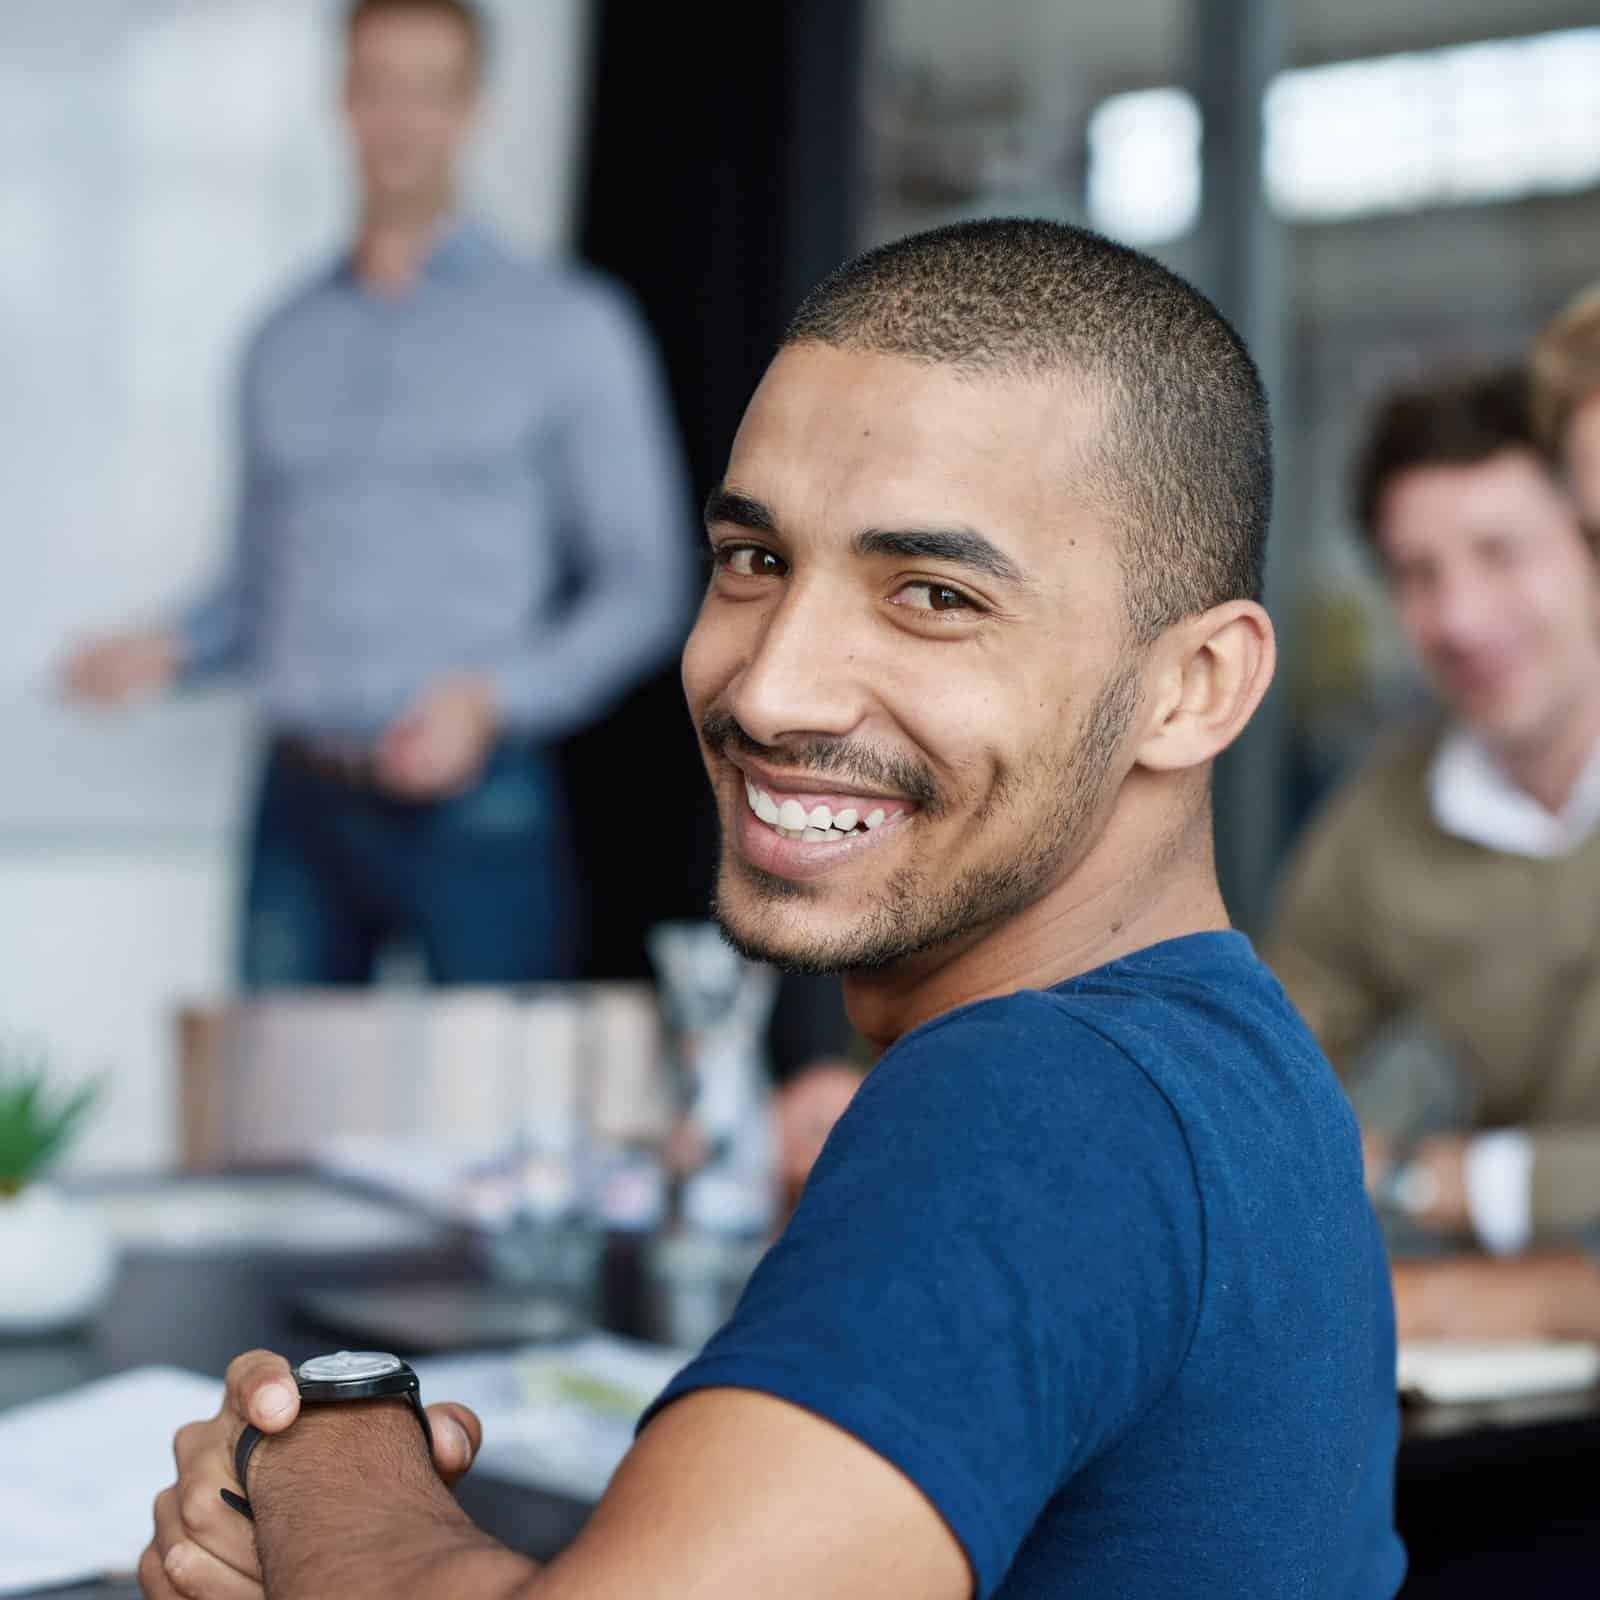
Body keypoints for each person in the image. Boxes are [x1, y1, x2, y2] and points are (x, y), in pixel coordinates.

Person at [137, 219, 1402, 1600]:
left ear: (1195, 688)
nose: (770, 688)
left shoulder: (1040, 1101)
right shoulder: (1225, 1060)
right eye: (752, 559)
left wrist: (325, 1445)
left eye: (933, 595)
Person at [62, 0, 692, 985]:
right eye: (378, 86)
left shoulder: (569, 326)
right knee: (270, 1085)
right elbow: (262, 592)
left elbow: (645, 584)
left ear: (474, 109)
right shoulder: (282, 338)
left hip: (480, 802)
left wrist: (492, 700)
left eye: (428, 89)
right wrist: (169, 649)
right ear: (344, 101)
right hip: (299, 803)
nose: (400, 118)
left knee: (492, 1086)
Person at [1266, 366, 1600, 1340]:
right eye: (1416, 574)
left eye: (1501, 553)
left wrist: (1454, 1182)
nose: (1458, 618)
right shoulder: (1380, 821)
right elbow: (1261, 1088)